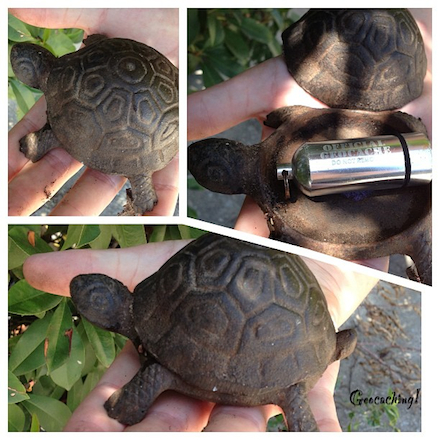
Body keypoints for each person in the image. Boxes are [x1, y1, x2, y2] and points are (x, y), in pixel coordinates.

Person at [23, 235, 381, 432]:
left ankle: (326, 356)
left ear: (107, 316)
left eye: (93, 298)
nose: (87, 295)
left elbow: (158, 374)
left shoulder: (155, 333)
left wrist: (124, 407)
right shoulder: (159, 299)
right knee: (292, 390)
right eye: (94, 297)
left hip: (276, 356)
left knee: (291, 390)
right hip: (295, 323)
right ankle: (328, 351)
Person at [8, 8, 179, 216]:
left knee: (59, 133)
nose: (15, 52)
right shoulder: (92, 52)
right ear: (44, 54)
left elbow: (64, 134)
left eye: (23, 67)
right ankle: (142, 185)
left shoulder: (64, 100)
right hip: (168, 99)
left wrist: (36, 144)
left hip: (151, 128)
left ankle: (142, 185)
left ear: (31, 80)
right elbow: (102, 46)